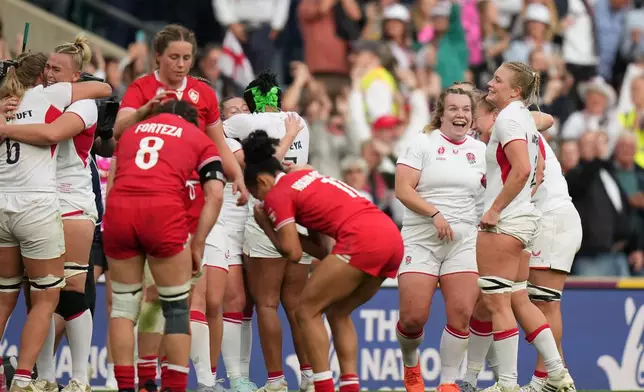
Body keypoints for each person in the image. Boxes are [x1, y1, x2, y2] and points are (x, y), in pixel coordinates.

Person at [112, 24, 239, 391]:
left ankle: (147, 379)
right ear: (157, 57)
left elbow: (220, 146)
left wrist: (240, 180)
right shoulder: (142, 91)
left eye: (187, 58)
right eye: (174, 58)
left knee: (143, 302)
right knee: (177, 303)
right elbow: (122, 126)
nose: (181, 65)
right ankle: (171, 380)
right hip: (169, 212)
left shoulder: (203, 93)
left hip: (139, 206)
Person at [242, 130, 403, 392]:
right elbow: (322, 252)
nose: (261, 201)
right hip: (389, 236)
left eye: (257, 195)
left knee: (305, 310)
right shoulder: (305, 175)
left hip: (361, 237)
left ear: (262, 181)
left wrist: (265, 225)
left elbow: (293, 254)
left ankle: (323, 387)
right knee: (338, 311)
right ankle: (350, 387)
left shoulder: (276, 195)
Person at [0, 51, 111, 392]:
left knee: (70, 292)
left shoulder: (77, 103)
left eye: (57, 69)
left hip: (70, 198)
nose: (50, 73)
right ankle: (41, 376)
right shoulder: (38, 98)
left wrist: (8, 122)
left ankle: (78, 377)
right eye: (46, 67)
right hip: (39, 201)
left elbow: (57, 131)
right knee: (40, 296)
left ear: (75, 76)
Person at [102, 100, 226, 392]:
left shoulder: (131, 133)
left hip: (120, 212)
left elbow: (113, 180)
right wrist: (197, 245)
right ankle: (174, 385)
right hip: (163, 216)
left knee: (124, 307)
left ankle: (133, 383)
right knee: (177, 309)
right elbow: (217, 195)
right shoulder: (197, 137)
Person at [461, 96, 581, 392]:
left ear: (495, 114)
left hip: (549, 217)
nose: (474, 127)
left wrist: (496, 210)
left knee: (542, 302)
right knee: (503, 298)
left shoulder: (511, 130)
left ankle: (545, 380)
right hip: (540, 220)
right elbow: (548, 119)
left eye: (476, 118)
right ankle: (480, 378)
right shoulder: (518, 127)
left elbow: (533, 176)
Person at [222, 73, 312, 392]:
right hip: (302, 213)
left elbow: (212, 131)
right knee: (298, 305)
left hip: (267, 211)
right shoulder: (299, 120)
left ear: (249, 104)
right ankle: (311, 378)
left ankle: (275, 381)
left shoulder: (239, 124)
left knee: (267, 304)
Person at [394, 87, 486, 392]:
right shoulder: (422, 142)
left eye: (466, 110)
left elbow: (487, 197)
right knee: (412, 319)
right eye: (453, 109)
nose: (460, 114)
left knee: (461, 314)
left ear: (473, 117)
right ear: (441, 113)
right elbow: (403, 189)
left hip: (463, 241)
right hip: (422, 238)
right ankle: (411, 363)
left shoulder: (481, 151)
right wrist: (434, 214)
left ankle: (448, 383)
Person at [216, 97, 257, 392]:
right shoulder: (225, 143)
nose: (241, 115)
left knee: (246, 307)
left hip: (252, 231)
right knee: (233, 301)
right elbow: (248, 162)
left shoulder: (253, 144)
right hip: (225, 229)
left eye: (246, 110)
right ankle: (230, 377)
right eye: (234, 111)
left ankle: (241, 375)